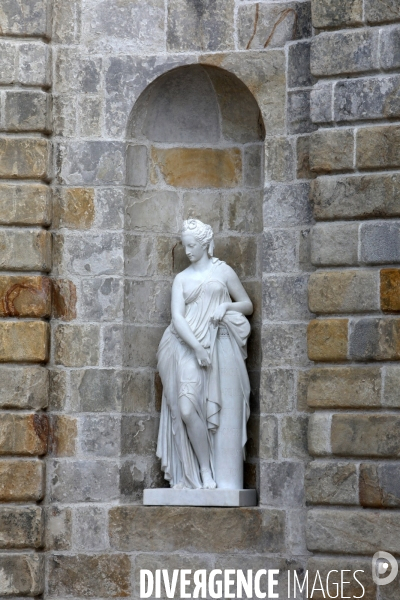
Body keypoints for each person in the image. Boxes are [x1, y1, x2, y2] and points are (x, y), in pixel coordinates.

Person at [157, 219, 253, 490]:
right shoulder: (182, 279)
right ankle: (203, 469)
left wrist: (226, 307)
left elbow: (246, 304)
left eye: (192, 245)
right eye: (185, 245)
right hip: (184, 346)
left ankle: (213, 471)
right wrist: (197, 348)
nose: (188, 251)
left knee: (216, 408)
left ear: (205, 245)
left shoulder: (223, 272)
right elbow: (177, 317)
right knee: (186, 409)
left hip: (218, 347)